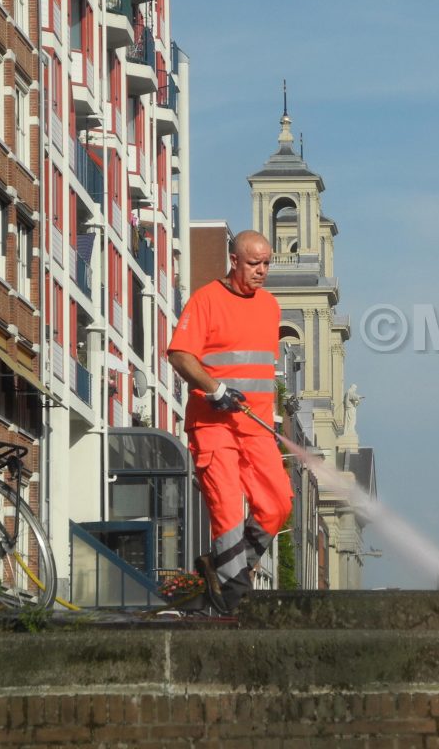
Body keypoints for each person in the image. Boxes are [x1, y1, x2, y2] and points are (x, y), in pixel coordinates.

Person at [167, 230, 293, 614]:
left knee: (278, 504)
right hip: (213, 424)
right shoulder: (206, 300)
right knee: (226, 510)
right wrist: (216, 390)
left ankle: (221, 567)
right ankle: (235, 598)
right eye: (254, 263)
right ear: (234, 261)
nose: (261, 271)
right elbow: (179, 355)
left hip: (254, 426)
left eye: (267, 263)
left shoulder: (270, 306)